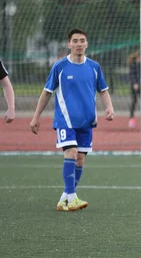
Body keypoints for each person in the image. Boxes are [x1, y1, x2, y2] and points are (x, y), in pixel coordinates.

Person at [29, 29, 115, 212]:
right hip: (65, 121)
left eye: (82, 40)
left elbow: (103, 90)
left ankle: (64, 198)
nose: (79, 44)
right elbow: (46, 92)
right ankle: (72, 197)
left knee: (80, 160)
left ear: (87, 44)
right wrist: (36, 117)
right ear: (69, 44)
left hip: (87, 122)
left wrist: (109, 107)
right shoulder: (59, 67)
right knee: (72, 153)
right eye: (75, 41)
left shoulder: (94, 67)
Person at [128, 50, 141, 129]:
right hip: (134, 87)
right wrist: (135, 83)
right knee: (134, 101)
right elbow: (132, 75)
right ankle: (131, 119)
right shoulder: (133, 65)